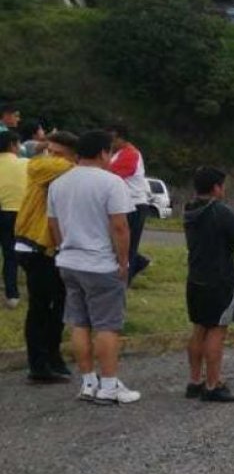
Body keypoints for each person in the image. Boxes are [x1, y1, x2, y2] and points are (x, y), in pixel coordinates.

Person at [47, 130, 139, 405]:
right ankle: (109, 386)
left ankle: (89, 383)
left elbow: (53, 224)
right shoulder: (111, 183)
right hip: (100, 264)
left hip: (69, 261)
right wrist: (123, 261)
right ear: (103, 153)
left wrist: (63, 247)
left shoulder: (59, 183)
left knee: (79, 323)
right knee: (107, 325)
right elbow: (120, 226)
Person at [183, 167, 234, 403]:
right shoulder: (221, 212)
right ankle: (213, 385)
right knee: (217, 331)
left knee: (199, 328)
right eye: (222, 186)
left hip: (195, 277)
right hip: (220, 280)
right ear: (215, 188)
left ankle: (195, 381)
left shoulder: (189, 209)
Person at [15, 131, 77, 383]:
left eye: (58, 152)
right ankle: (38, 364)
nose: (53, 157)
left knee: (59, 304)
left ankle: (52, 356)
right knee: (41, 306)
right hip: (35, 246)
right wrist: (77, 163)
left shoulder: (63, 169)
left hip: (54, 247)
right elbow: (41, 164)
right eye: (51, 151)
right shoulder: (44, 166)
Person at [106, 124, 152, 283]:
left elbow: (110, 172)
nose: (110, 142)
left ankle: (125, 280)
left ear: (121, 138)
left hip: (134, 205)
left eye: (112, 139)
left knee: (127, 245)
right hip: (124, 204)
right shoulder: (116, 154)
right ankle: (138, 263)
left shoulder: (130, 154)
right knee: (119, 243)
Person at [0, 131, 28, 309]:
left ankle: (11, 294)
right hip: (18, 213)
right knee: (13, 254)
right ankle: (13, 295)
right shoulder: (25, 164)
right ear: (12, 145)